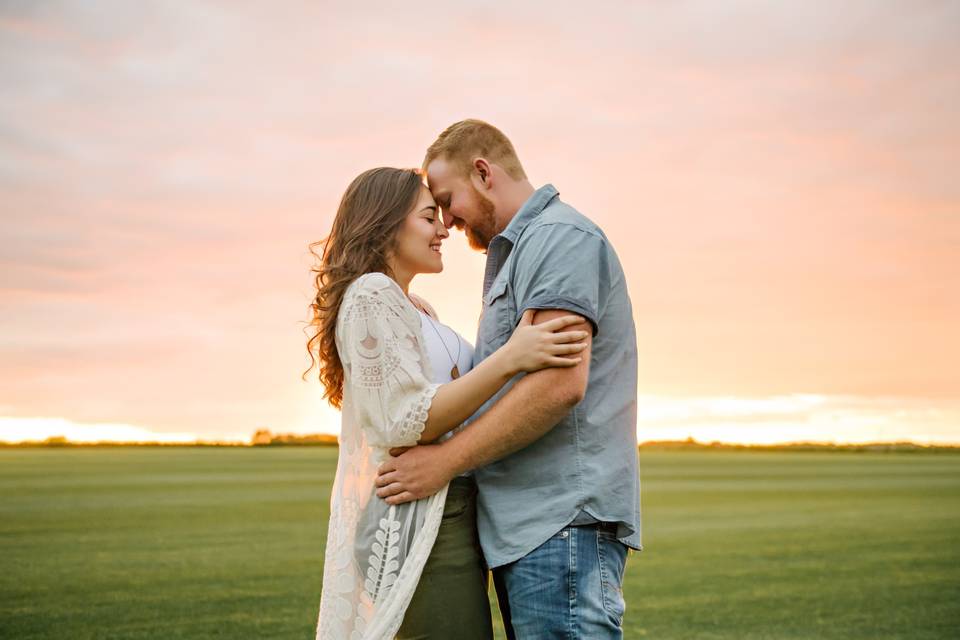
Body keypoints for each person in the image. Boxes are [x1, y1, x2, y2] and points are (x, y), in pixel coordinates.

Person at [374, 120, 642, 639]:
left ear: (483, 172)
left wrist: (443, 464)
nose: (446, 222)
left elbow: (558, 384)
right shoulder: (519, 250)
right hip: (529, 529)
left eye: (448, 201)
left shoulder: (558, 238)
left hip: (560, 522)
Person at [306, 166, 589, 639]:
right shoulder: (371, 294)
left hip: (450, 508)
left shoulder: (415, 307)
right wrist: (510, 359)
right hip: (418, 515)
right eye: (427, 217)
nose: (444, 229)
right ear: (386, 224)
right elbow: (403, 420)